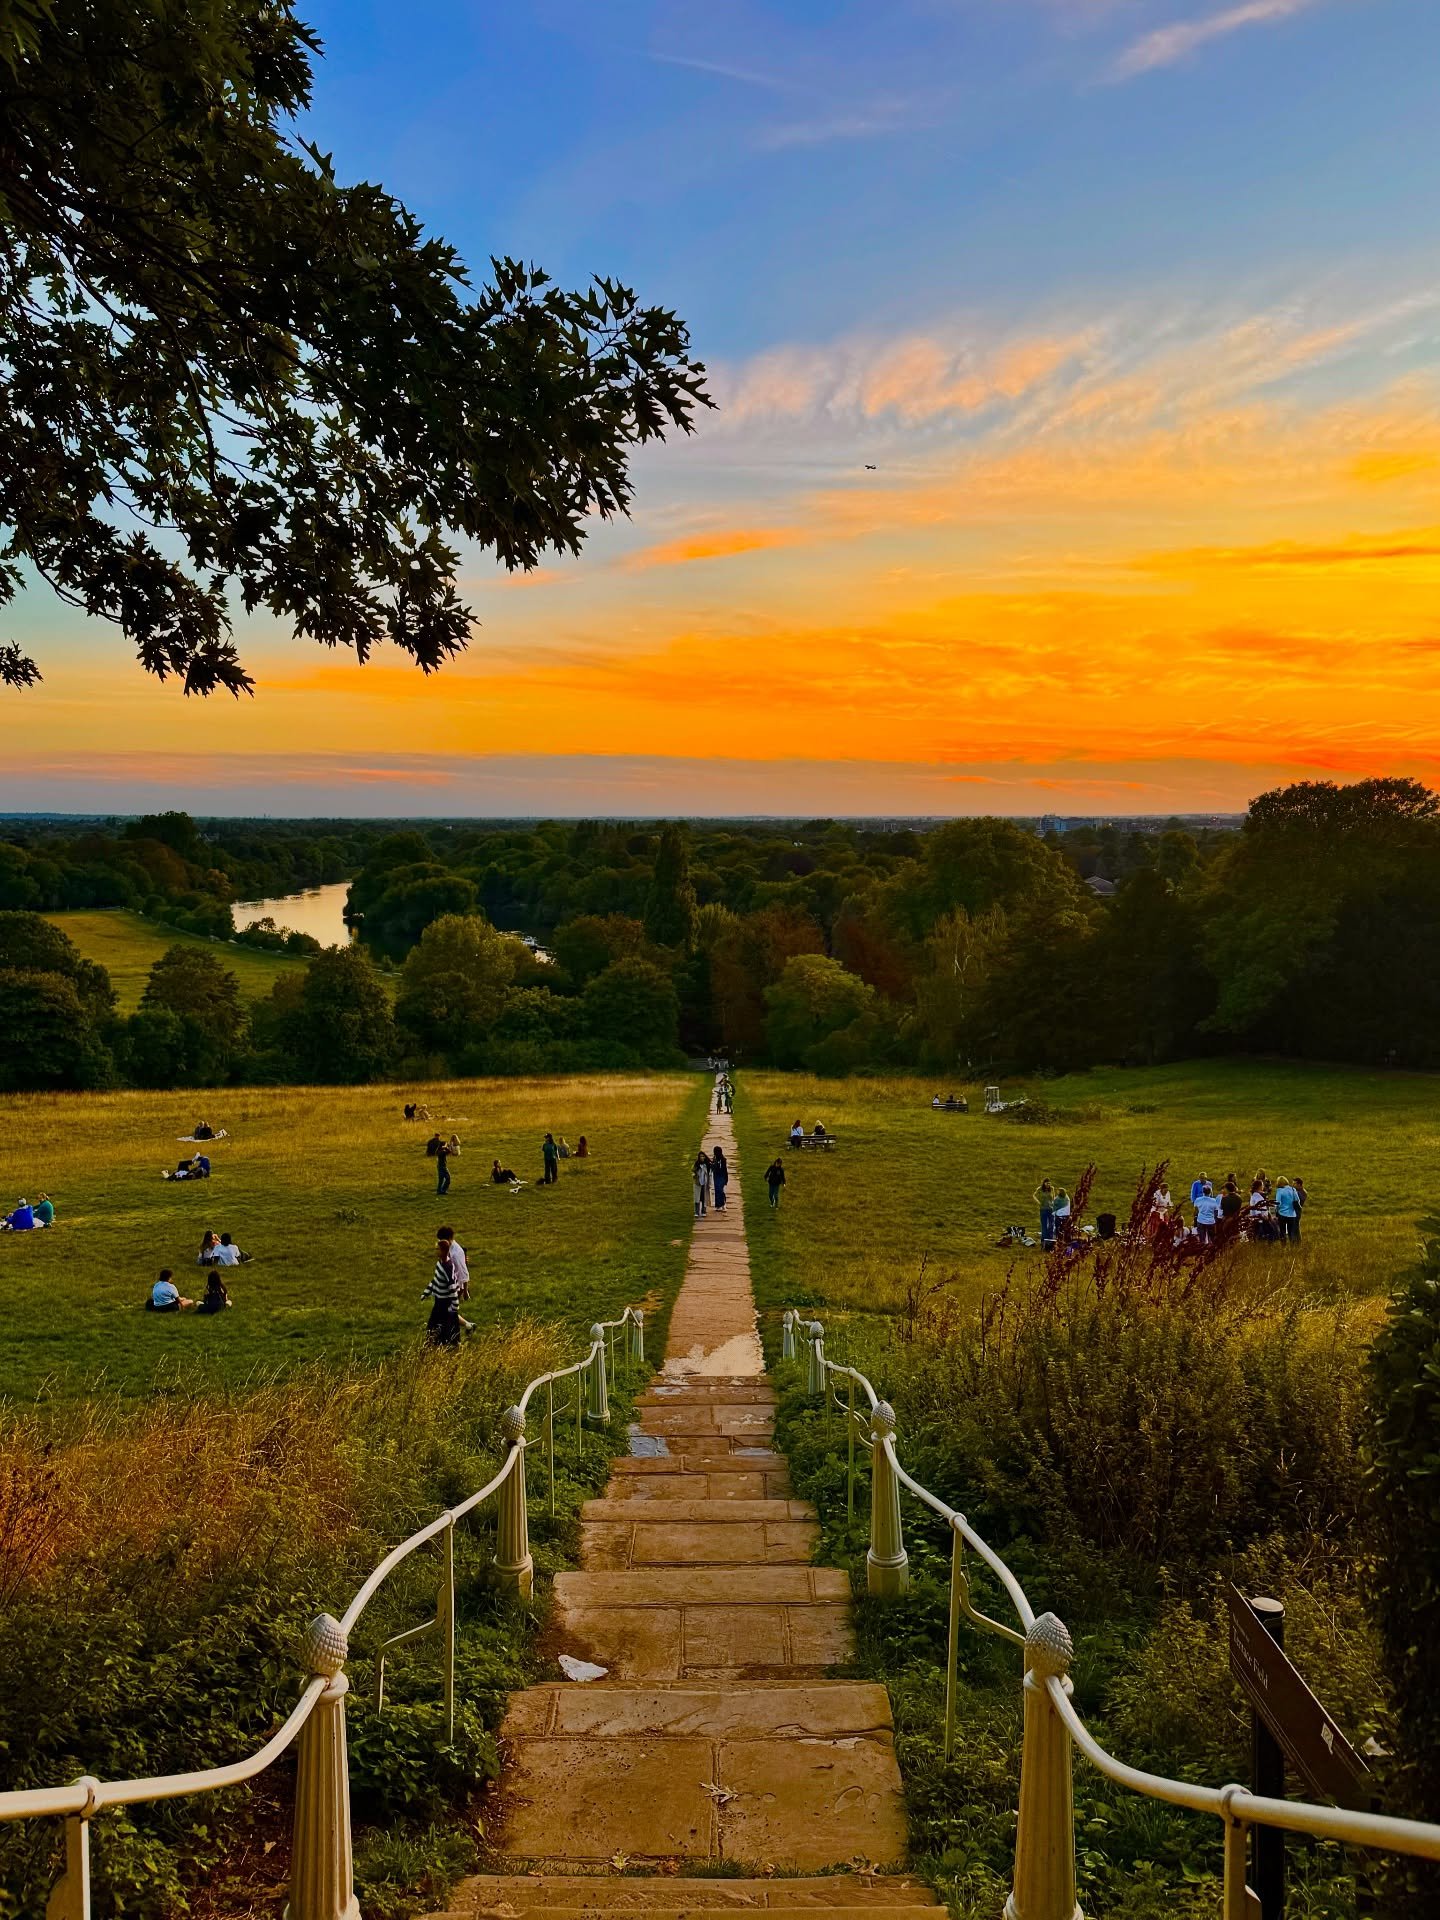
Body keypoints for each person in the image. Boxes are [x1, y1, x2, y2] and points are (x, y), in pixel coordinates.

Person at [420, 1242, 462, 1348]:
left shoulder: (448, 1267)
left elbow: (452, 1288)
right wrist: (427, 1292)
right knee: (437, 1326)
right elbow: (435, 1280)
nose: (435, 1251)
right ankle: (435, 1345)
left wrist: (454, 1306)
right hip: (438, 1301)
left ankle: (440, 1347)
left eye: (437, 1249)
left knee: (441, 1327)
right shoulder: (439, 1263)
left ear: (444, 1251)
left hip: (444, 1303)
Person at [437, 1226, 475, 1335]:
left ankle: (453, 1334)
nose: (439, 1243)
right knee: (447, 1311)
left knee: (447, 1312)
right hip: (449, 1285)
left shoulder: (456, 1253)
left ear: (448, 1239)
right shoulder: (450, 1249)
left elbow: (463, 1273)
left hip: (455, 1287)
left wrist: (465, 1291)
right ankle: (468, 1326)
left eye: (441, 1240)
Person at [1274, 1177, 1301, 1243]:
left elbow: (1278, 1203)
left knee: (1282, 1231)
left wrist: (1276, 1211)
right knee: (1291, 1232)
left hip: (1282, 1214)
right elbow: (1297, 1200)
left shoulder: (1279, 1190)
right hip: (1292, 1214)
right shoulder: (1293, 1189)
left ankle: (1283, 1246)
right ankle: (1292, 1246)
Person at [1034, 1179, 1056, 1250]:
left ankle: (1050, 1239)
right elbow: (1034, 1195)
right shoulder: (1040, 1189)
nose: (1048, 1185)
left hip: (1051, 1209)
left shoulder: (1052, 1189)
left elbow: (1054, 1197)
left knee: (1051, 1224)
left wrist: (1054, 1204)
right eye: (1047, 1183)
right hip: (1043, 1209)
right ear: (1044, 1183)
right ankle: (1043, 1239)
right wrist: (1038, 1202)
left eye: (1049, 1183)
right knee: (1044, 1224)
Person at [692, 1150, 712, 1218]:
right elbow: (693, 1171)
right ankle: (697, 1212)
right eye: (701, 1156)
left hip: (705, 1184)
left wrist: (709, 1183)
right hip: (697, 1184)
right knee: (697, 1198)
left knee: (704, 1197)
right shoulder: (696, 1164)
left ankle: (703, 1211)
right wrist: (694, 1175)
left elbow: (710, 1174)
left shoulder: (707, 1164)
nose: (702, 1157)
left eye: (703, 1156)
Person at [711, 1144, 729, 1211]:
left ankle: (723, 1204)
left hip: (722, 1176)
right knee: (717, 1190)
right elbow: (713, 1168)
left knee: (720, 1190)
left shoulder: (723, 1159)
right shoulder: (714, 1159)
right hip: (716, 1176)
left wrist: (726, 1178)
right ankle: (718, 1205)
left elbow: (725, 1169)